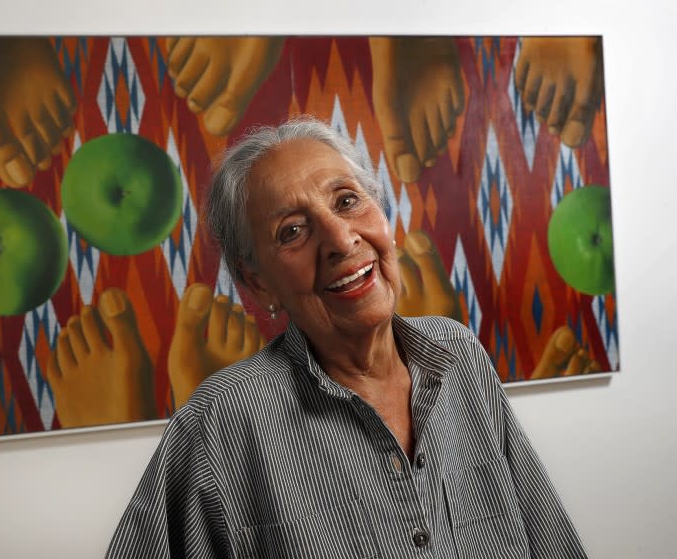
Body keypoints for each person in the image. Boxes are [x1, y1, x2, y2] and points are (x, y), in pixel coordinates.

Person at [105, 116, 587, 558]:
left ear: (381, 215)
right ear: (257, 283)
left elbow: (546, 535)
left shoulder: (456, 353)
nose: (340, 239)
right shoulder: (223, 422)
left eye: (347, 201)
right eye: (292, 231)